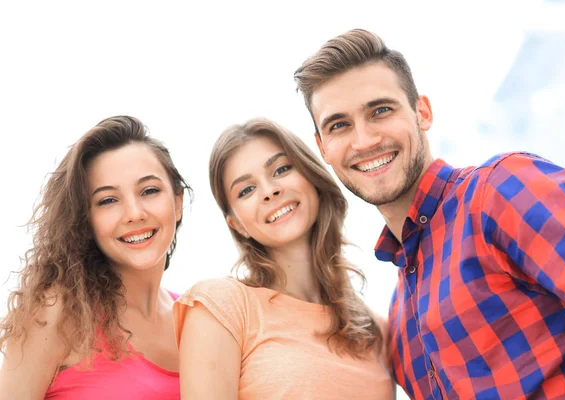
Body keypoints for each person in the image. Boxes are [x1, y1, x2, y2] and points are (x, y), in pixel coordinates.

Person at [294, 29, 565, 399]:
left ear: (422, 112)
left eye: (380, 110)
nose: (363, 140)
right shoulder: (402, 323)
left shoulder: (500, 190)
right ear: (322, 147)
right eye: (339, 125)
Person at [173, 118, 394, 399]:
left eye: (281, 169)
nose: (269, 191)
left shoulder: (376, 331)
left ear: (311, 176)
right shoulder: (220, 308)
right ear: (236, 224)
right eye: (246, 190)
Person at [0, 116, 189, 399]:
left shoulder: (195, 320)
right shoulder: (57, 313)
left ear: (177, 201)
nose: (134, 213)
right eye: (108, 200)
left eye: (149, 191)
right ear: (86, 220)